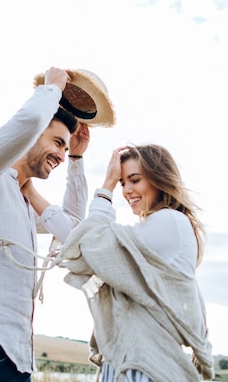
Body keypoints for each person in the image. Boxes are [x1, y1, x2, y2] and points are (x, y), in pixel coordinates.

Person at [0, 66, 115, 382]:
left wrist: (76, 160)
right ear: (33, 133)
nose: (60, 153)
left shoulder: (25, 200)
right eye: (57, 142)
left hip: (16, 355)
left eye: (64, 147)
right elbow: (26, 123)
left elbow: (72, 226)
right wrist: (52, 88)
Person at [58, 144, 215, 381]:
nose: (127, 190)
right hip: (133, 363)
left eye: (135, 180)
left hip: (143, 368)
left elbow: (88, 245)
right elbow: (93, 242)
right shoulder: (157, 227)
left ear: (158, 179)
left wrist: (107, 186)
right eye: (122, 183)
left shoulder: (168, 221)